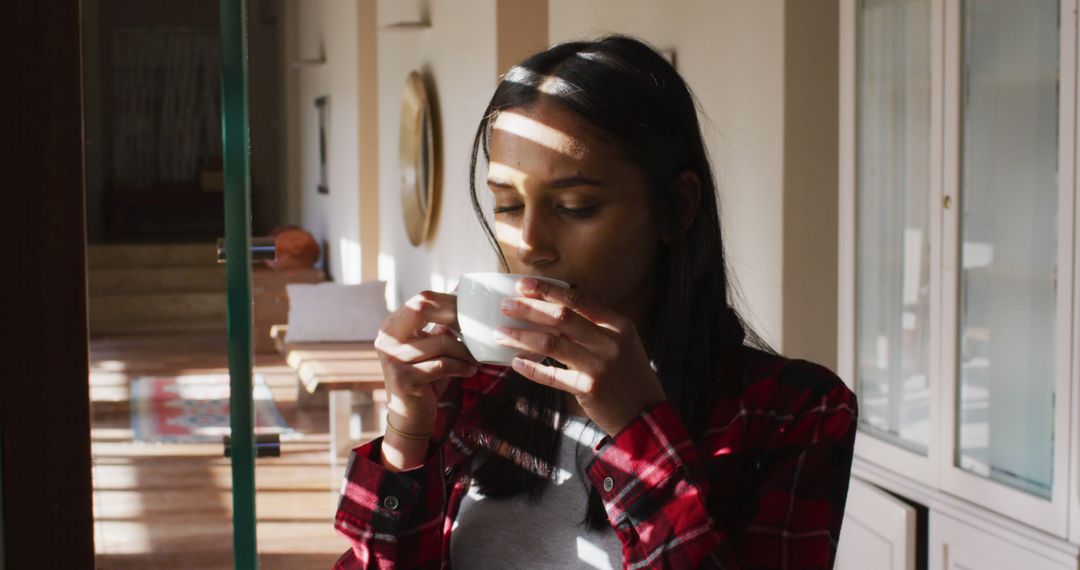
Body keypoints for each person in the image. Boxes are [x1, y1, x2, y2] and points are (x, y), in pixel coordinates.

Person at [334, 35, 857, 569]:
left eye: (575, 206)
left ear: (677, 207)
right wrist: (407, 428)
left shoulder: (795, 412)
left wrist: (640, 427)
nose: (529, 243)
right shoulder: (472, 388)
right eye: (508, 204)